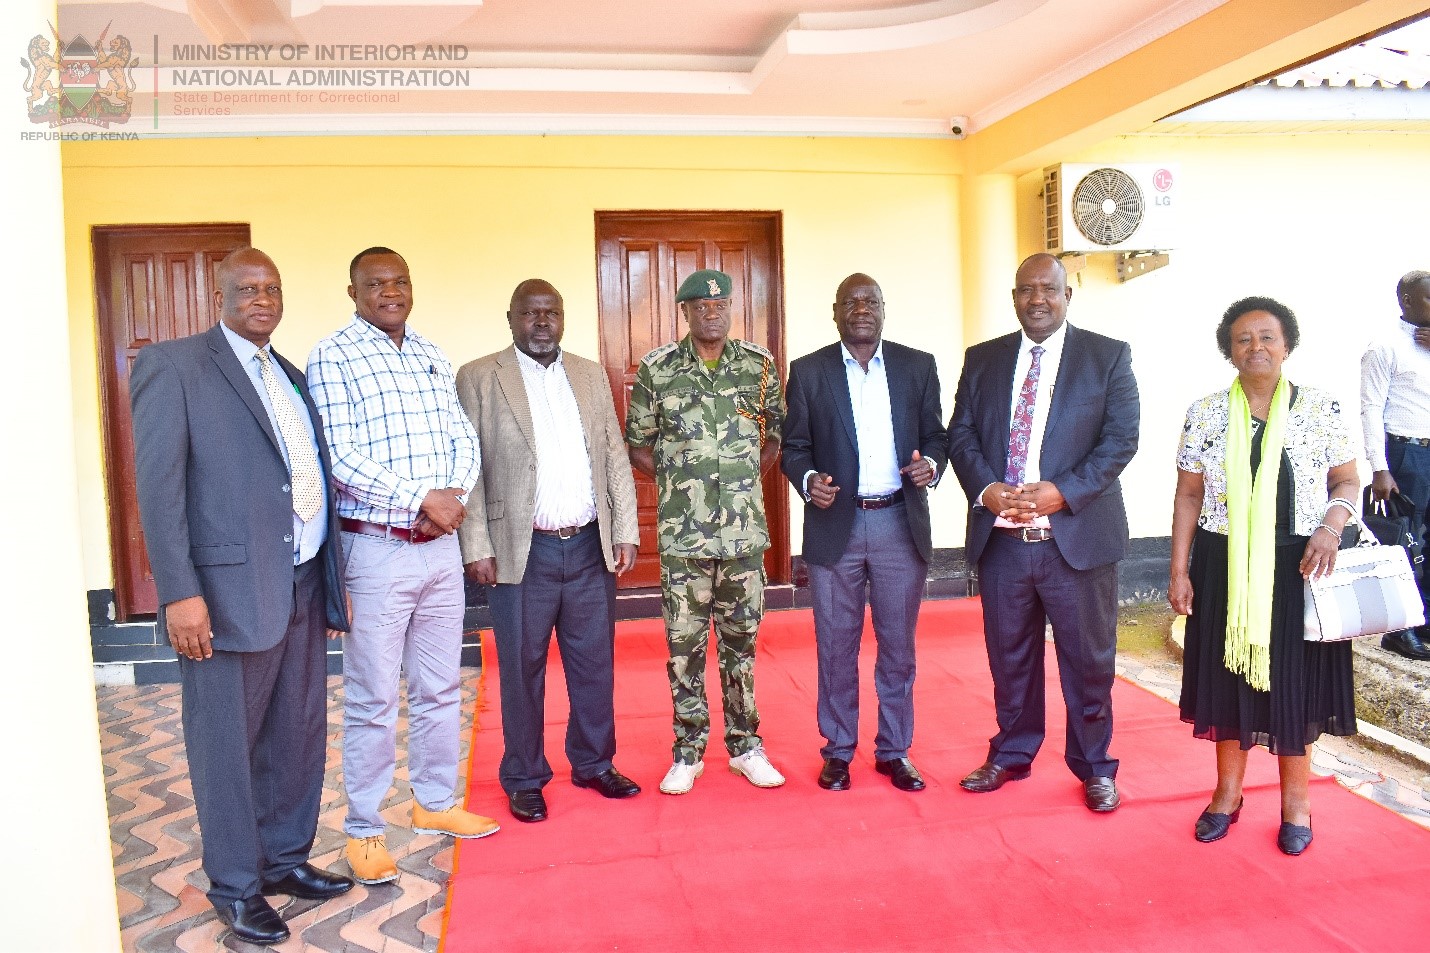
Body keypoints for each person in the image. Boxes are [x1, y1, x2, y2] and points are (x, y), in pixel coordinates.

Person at [130, 248, 354, 945]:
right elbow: (158, 489)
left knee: (296, 733)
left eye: (272, 289)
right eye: (248, 288)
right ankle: (235, 886)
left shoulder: (289, 375)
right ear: (218, 296)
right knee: (225, 745)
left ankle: (284, 860)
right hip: (223, 596)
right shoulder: (174, 366)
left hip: (301, 579)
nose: (263, 299)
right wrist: (180, 593)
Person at [307, 247, 499, 885]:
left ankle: (435, 803)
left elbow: (463, 438)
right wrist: (420, 498)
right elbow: (338, 454)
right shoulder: (333, 355)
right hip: (377, 550)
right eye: (376, 283)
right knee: (373, 696)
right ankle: (364, 828)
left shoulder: (430, 353)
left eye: (400, 281)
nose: (391, 292)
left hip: (439, 548)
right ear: (353, 292)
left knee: (440, 687)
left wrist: (452, 500)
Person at [947, 252, 1138, 813]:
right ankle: (1011, 753)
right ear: (1014, 298)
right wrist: (986, 488)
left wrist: (1064, 493)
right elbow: (960, 434)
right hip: (1003, 541)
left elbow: (1120, 440)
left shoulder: (1107, 356)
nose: (1037, 299)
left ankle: (1095, 766)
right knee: (1009, 660)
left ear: (1066, 295)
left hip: (1075, 541)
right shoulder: (983, 359)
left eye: (1048, 289)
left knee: (1088, 663)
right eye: (1027, 290)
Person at [1171, 296, 1359, 856]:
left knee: (1294, 687)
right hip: (1223, 567)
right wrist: (1179, 569)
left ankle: (1296, 804)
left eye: (1267, 337)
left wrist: (1331, 526)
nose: (1256, 347)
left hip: (1300, 567)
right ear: (1229, 351)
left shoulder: (1320, 408)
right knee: (1228, 681)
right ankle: (1227, 795)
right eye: (1243, 339)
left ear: (1287, 345)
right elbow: (1188, 495)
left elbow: (1347, 481)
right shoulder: (1206, 413)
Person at [456, 279, 642, 823]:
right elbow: (468, 467)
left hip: (587, 545)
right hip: (522, 551)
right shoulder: (479, 377)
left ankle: (594, 762)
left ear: (563, 318)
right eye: (530, 313)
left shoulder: (589, 374)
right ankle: (524, 776)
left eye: (551, 312)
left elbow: (612, 453)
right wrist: (476, 544)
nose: (542, 322)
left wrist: (625, 528)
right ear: (510, 317)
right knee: (521, 668)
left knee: (594, 663)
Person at [782, 273, 947, 792]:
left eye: (870, 301)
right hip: (837, 525)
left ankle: (894, 750)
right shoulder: (809, 372)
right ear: (835, 312)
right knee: (836, 645)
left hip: (899, 522)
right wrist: (808, 479)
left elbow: (936, 436)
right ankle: (838, 750)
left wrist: (931, 466)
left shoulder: (917, 366)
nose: (861, 309)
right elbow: (793, 447)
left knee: (898, 647)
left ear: (883, 309)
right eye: (850, 302)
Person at [625, 268, 787, 795]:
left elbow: (774, 434)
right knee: (684, 648)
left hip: (744, 536)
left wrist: (739, 478)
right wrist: (681, 480)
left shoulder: (759, 366)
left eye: (720, 306)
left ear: (730, 309)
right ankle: (687, 752)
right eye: (701, 307)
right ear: (686, 312)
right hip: (684, 537)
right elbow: (638, 443)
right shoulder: (657, 369)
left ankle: (745, 747)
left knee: (741, 645)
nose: (711, 314)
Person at [1360, 270, 1430, 661]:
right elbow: (1371, 407)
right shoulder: (1385, 346)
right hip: (1408, 453)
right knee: (1407, 543)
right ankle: (1400, 631)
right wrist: (1379, 467)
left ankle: (1426, 620)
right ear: (1406, 300)